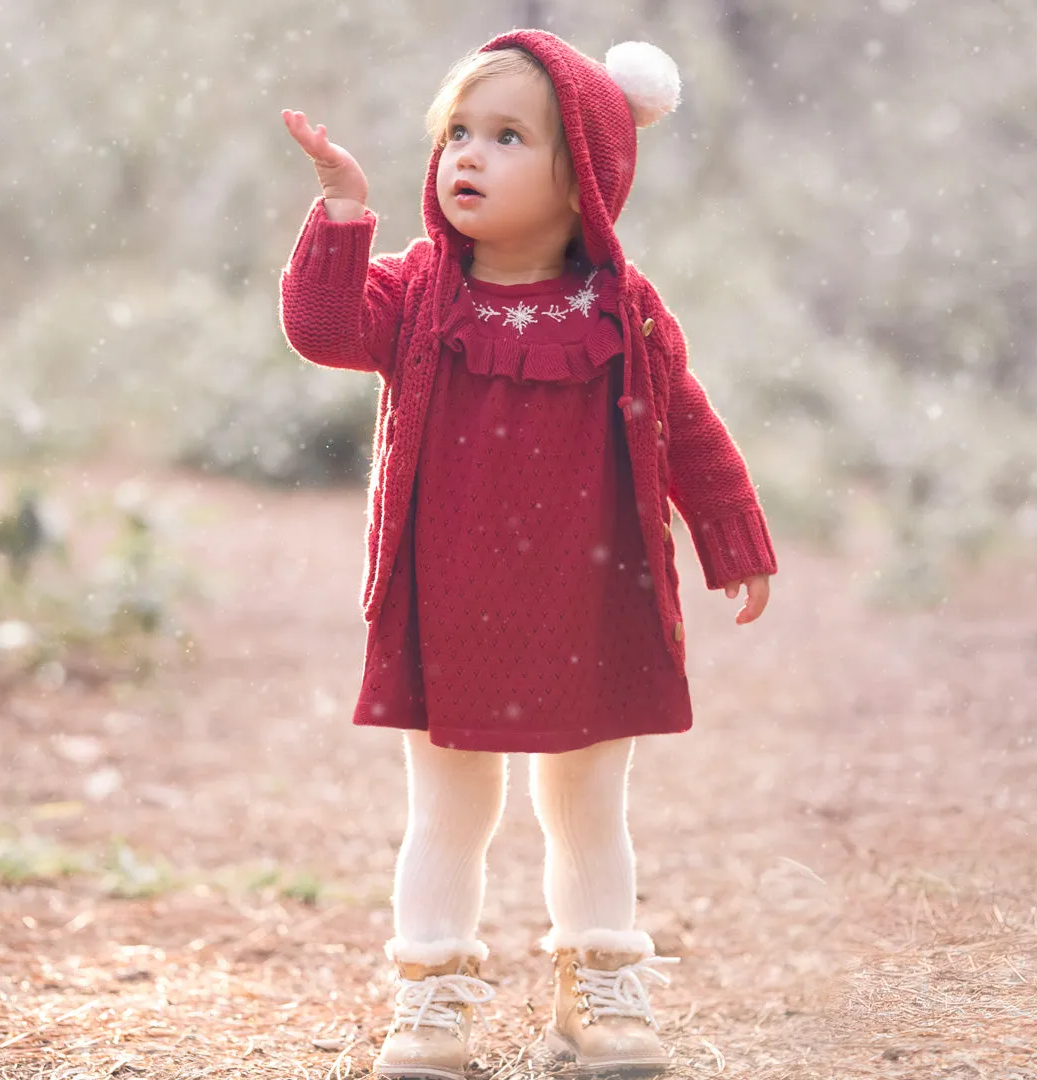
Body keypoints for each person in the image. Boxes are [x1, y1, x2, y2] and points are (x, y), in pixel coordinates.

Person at [279, 28, 776, 1079]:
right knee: (451, 808)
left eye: (508, 137)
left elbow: (686, 424)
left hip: (593, 596)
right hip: (448, 601)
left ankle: (598, 988)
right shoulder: (417, 292)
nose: (468, 153)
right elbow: (323, 329)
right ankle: (432, 999)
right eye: (458, 130)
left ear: (583, 180)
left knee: (586, 801)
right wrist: (342, 214)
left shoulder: (623, 311)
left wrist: (731, 531)